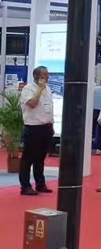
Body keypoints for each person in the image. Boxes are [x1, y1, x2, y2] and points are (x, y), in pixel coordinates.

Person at [19, 66, 55, 196]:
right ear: (36, 76)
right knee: (28, 158)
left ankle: (40, 183)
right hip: (33, 128)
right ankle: (25, 186)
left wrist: (51, 125)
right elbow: (33, 104)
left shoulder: (48, 89)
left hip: (46, 127)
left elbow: (48, 108)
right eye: (44, 75)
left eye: (47, 74)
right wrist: (39, 89)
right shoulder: (28, 89)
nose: (47, 77)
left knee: (40, 158)